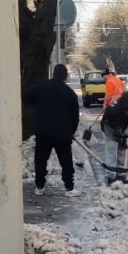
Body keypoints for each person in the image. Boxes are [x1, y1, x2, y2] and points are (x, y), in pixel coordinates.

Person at [22, 64, 81, 197]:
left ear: (53, 74)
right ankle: (69, 188)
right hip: (62, 134)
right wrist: (71, 131)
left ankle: (39, 186)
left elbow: (26, 96)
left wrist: (37, 103)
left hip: (43, 132)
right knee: (66, 161)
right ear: (65, 76)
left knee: (41, 160)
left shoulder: (42, 88)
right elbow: (75, 116)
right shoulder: (69, 93)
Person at [100, 89, 128, 185]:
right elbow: (109, 122)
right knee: (111, 150)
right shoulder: (115, 110)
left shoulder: (127, 105)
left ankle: (121, 175)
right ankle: (111, 177)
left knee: (122, 150)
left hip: (120, 125)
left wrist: (123, 139)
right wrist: (119, 133)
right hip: (110, 126)